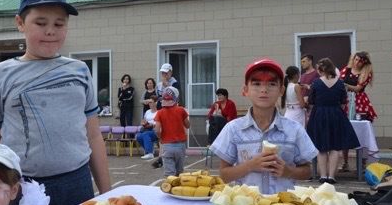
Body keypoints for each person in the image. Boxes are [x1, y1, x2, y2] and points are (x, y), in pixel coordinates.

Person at [0, 0, 111, 205]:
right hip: (20, 187)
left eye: (59, 24)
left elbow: (93, 136)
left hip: (77, 183)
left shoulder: (80, 70)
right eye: (41, 23)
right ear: (20, 23)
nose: (50, 31)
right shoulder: (1, 73)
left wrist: (107, 194)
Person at [210, 59, 318, 194]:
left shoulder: (294, 129)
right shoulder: (233, 129)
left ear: (281, 90)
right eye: (256, 83)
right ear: (245, 90)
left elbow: (307, 171)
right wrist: (250, 165)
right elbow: (224, 175)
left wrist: (289, 171)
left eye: (272, 84)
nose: (264, 90)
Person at [306, 58, 360, 184]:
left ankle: (323, 176)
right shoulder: (340, 83)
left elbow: (311, 101)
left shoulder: (316, 83)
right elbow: (343, 101)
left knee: (321, 147)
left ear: (321, 69)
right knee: (335, 147)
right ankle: (331, 176)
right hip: (336, 114)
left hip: (319, 115)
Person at [339, 51, 378, 171]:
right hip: (346, 101)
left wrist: (344, 85)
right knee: (345, 131)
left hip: (359, 101)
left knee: (362, 133)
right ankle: (345, 162)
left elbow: (358, 88)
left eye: (360, 61)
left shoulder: (366, 73)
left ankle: (362, 163)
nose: (357, 62)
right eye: (356, 59)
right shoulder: (346, 70)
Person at [154, 87, 189, 176]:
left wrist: (160, 137)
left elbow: (157, 130)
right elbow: (188, 125)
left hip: (167, 145)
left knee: (169, 175)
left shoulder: (160, 112)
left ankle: (169, 189)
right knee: (179, 173)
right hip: (181, 145)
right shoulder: (181, 110)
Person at [138, 96, 159, 160]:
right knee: (138, 136)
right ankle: (150, 150)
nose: (149, 104)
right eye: (149, 102)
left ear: (156, 103)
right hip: (147, 129)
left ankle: (149, 153)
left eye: (151, 102)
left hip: (155, 130)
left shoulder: (159, 112)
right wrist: (143, 123)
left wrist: (151, 124)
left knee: (146, 134)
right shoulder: (147, 111)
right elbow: (143, 120)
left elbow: (158, 124)